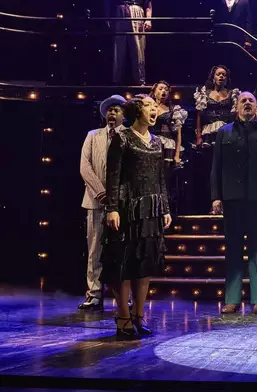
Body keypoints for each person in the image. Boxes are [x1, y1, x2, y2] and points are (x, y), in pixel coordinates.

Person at [101, 95, 172, 339]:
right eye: (149, 106)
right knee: (123, 264)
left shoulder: (156, 142)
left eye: (155, 107)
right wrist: (112, 208)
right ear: (137, 110)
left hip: (150, 209)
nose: (154, 110)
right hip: (125, 208)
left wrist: (165, 208)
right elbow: (113, 175)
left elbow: (161, 178)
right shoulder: (122, 138)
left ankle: (139, 316)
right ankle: (122, 317)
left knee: (144, 264)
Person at [211, 92, 257, 315]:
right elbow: (216, 167)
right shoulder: (224, 132)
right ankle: (232, 298)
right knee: (233, 249)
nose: (247, 103)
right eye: (243, 101)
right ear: (236, 107)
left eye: (251, 101)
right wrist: (216, 196)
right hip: (232, 199)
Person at [78, 95, 126, 311]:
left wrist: (117, 196)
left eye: (116, 110)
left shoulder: (129, 136)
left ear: (124, 114)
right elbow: (85, 167)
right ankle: (94, 294)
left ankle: (124, 296)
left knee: (123, 250)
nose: (112, 113)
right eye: (109, 110)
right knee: (95, 249)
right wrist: (100, 193)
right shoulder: (93, 136)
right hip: (96, 201)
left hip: (122, 203)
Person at [105, 0, 152, 85]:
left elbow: (148, 4)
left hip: (136, 10)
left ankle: (140, 80)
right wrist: (107, 16)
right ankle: (116, 80)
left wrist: (148, 19)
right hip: (119, 11)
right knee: (118, 48)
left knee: (138, 49)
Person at [194, 65, 239, 147]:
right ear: (213, 77)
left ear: (226, 79)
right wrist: (198, 136)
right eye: (218, 74)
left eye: (223, 75)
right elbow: (199, 115)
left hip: (226, 130)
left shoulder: (232, 94)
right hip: (208, 131)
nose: (221, 76)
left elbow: (236, 116)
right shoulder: (205, 93)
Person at [149, 80, 187, 166]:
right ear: (154, 92)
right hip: (151, 142)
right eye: (160, 89)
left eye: (166, 89)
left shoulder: (174, 109)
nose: (163, 91)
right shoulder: (148, 107)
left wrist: (177, 155)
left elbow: (178, 134)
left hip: (167, 145)